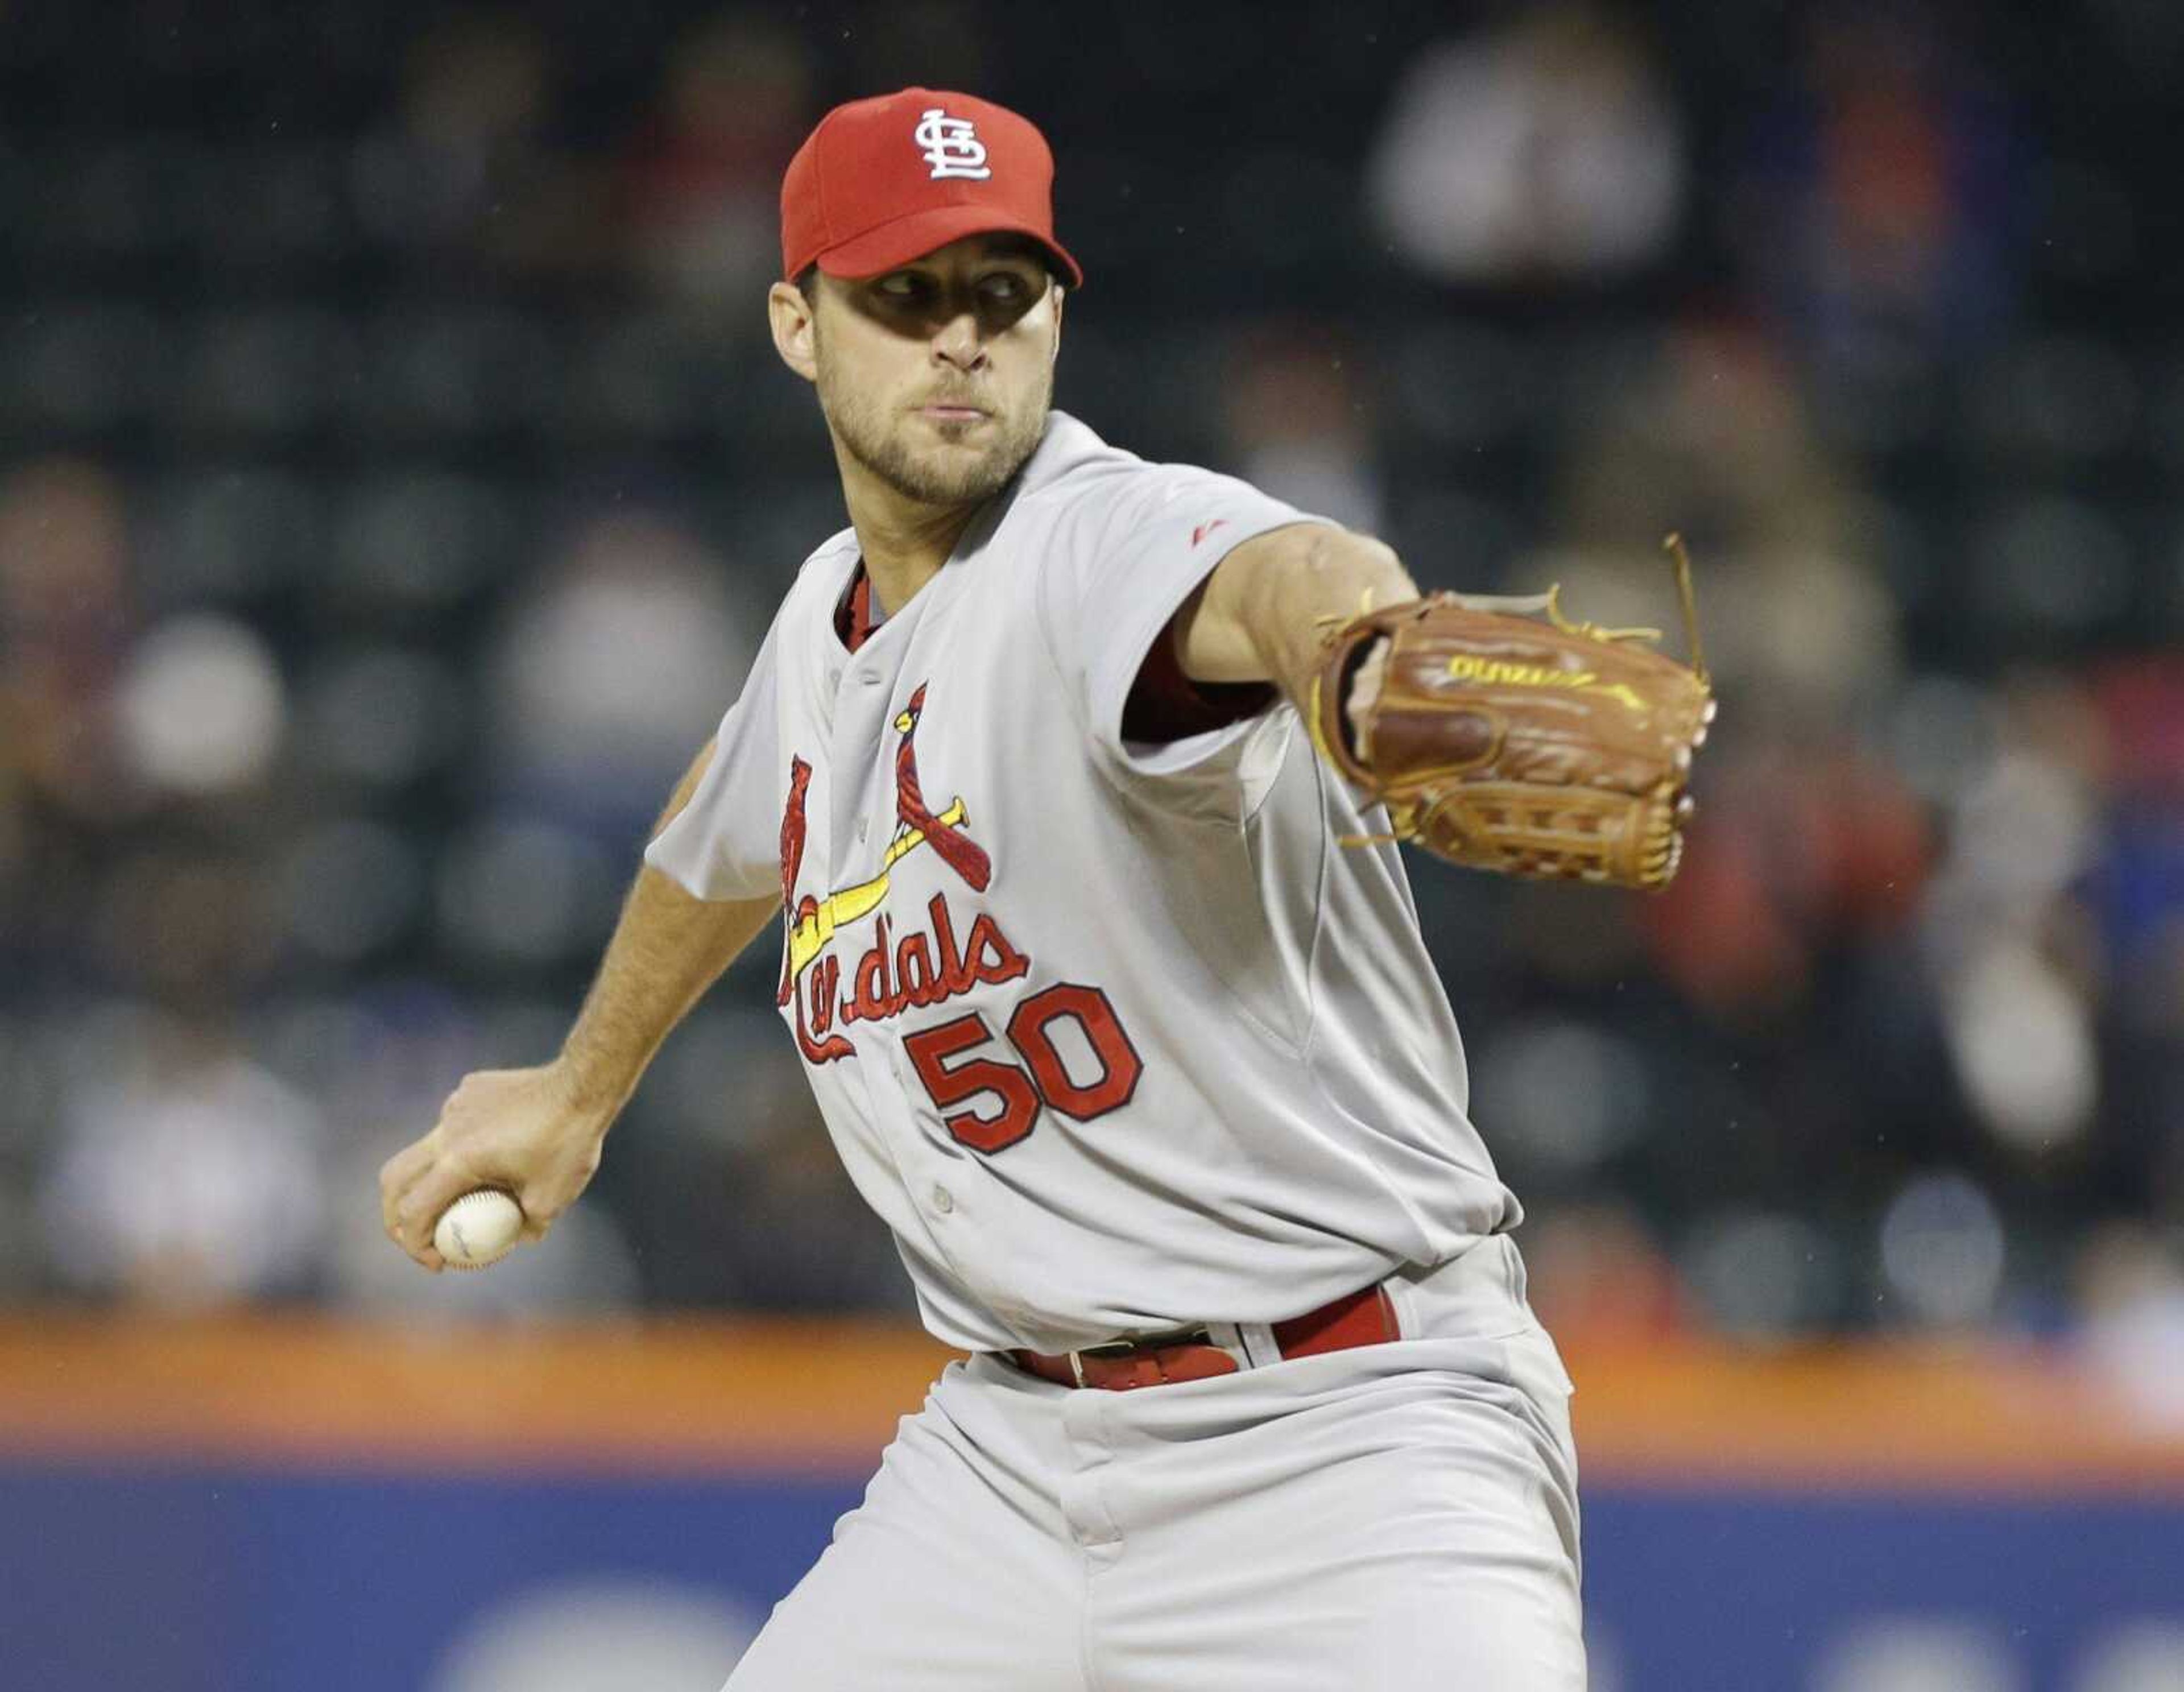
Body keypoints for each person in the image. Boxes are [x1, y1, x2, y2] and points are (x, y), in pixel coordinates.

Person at [380, 87, 1589, 1689]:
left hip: (1354, 1438)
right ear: (796, 326)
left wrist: (1360, 657)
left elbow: (1286, 578)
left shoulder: (1105, 547)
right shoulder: (829, 618)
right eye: (904, 295)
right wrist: (580, 1089)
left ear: (1052, 324)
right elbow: (719, 825)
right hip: (1015, 1458)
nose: (960, 338)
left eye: (1000, 296)